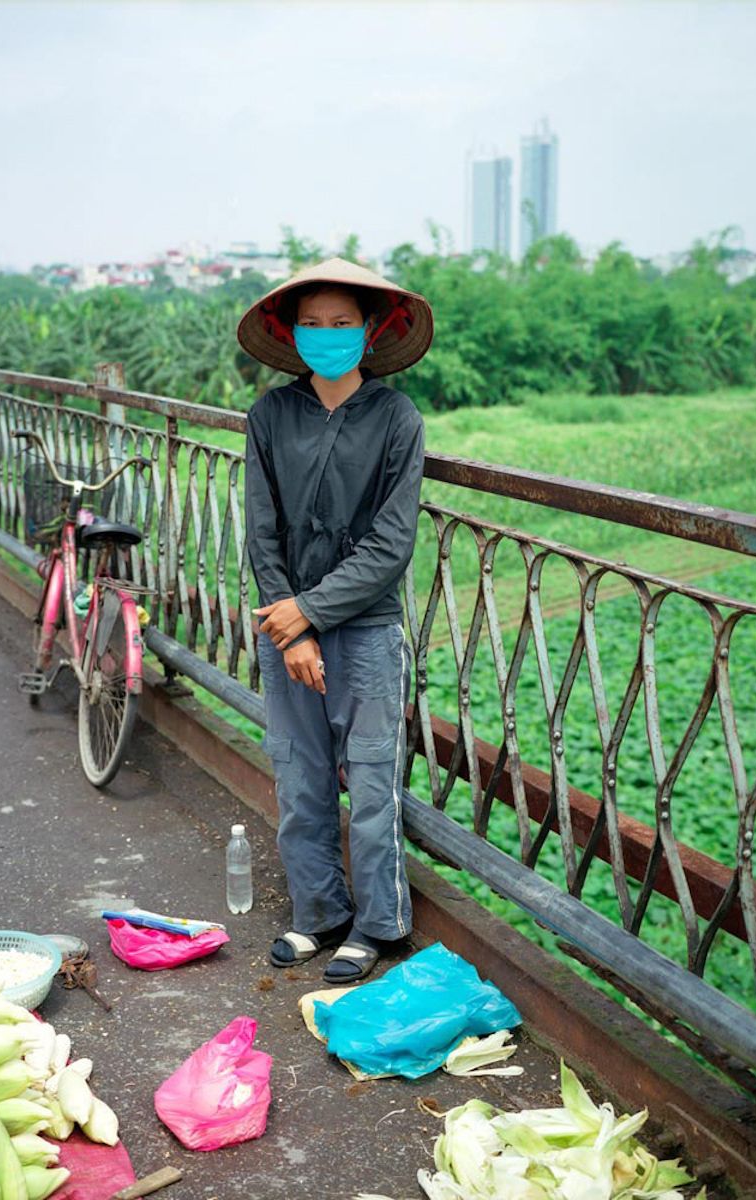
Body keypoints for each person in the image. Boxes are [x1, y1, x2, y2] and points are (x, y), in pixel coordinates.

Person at [237, 256, 434, 983]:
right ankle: (318, 914)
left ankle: (376, 927)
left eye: (341, 323)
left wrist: (310, 612)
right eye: (312, 324)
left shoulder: (396, 419)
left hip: (367, 628)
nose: (327, 335)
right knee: (302, 776)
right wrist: (294, 627)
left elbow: (392, 541)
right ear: (291, 333)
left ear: (370, 329)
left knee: (373, 779)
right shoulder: (269, 416)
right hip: (286, 628)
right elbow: (262, 530)